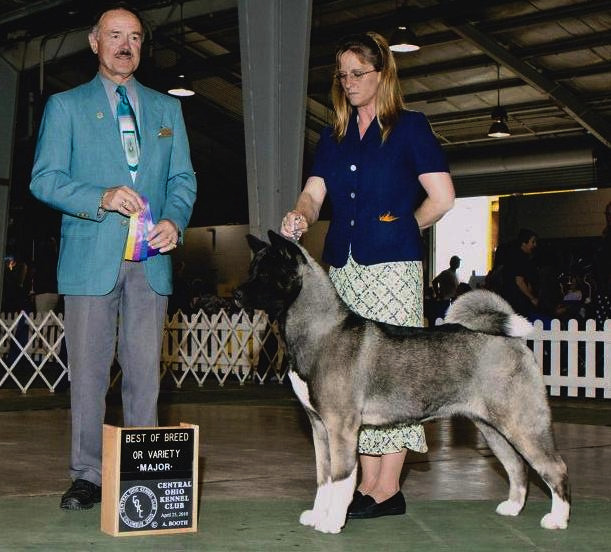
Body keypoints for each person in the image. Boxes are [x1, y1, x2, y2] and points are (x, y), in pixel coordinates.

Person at [29, 3, 197, 511]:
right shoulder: (67, 106)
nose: (126, 45)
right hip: (89, 259)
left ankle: (138, 476)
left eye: (136, 37)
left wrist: (175, 220)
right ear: (94, 42)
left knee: (146, 374)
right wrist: (99, 196)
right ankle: (86, 475)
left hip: (152, 260)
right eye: (116, 35)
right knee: (90, 374)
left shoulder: (169, 111)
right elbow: (45, 179)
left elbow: (182, 180)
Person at [280, 32, 454, 519]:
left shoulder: (410, 128)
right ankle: (363, 484)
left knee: (393, 376)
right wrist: (300, 214)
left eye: (359, 73)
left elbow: (442, 198)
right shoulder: (332, 135)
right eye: (343, 75)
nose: (350, 82)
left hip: (394, 269)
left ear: (383, 74)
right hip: (345, 270)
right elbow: (314, 193)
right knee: (351, 382)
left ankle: (386, 488)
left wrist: (400, 229)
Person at [500, 228, 539, 318]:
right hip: (516, 300)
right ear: (524, 243)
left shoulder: (514, 255)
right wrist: (532, 298)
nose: (535, 245)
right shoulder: (520, 258)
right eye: (532, 242)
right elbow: (519, 281)